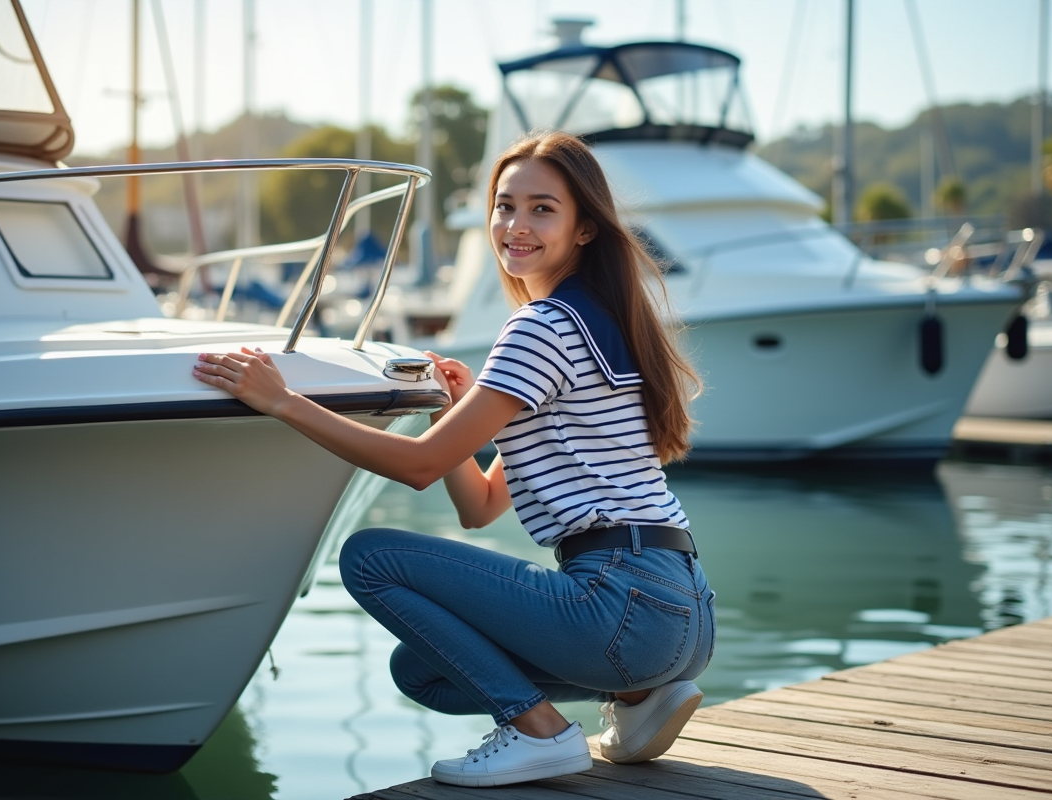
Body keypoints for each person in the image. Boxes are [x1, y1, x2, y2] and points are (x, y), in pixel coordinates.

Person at [192, 131, 715, 788]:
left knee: (369, 557)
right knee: (421, 671)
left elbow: (417, 468)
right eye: (504, 205)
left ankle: (541, 731)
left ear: (585, 228)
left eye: (542, 209)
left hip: (624, 605)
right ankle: (640, 697)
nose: (515, 225)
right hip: (685, 614)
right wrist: (454, 410)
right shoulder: (604, 320)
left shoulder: (543, 327)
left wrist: (285, 401)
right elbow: (481, 508)